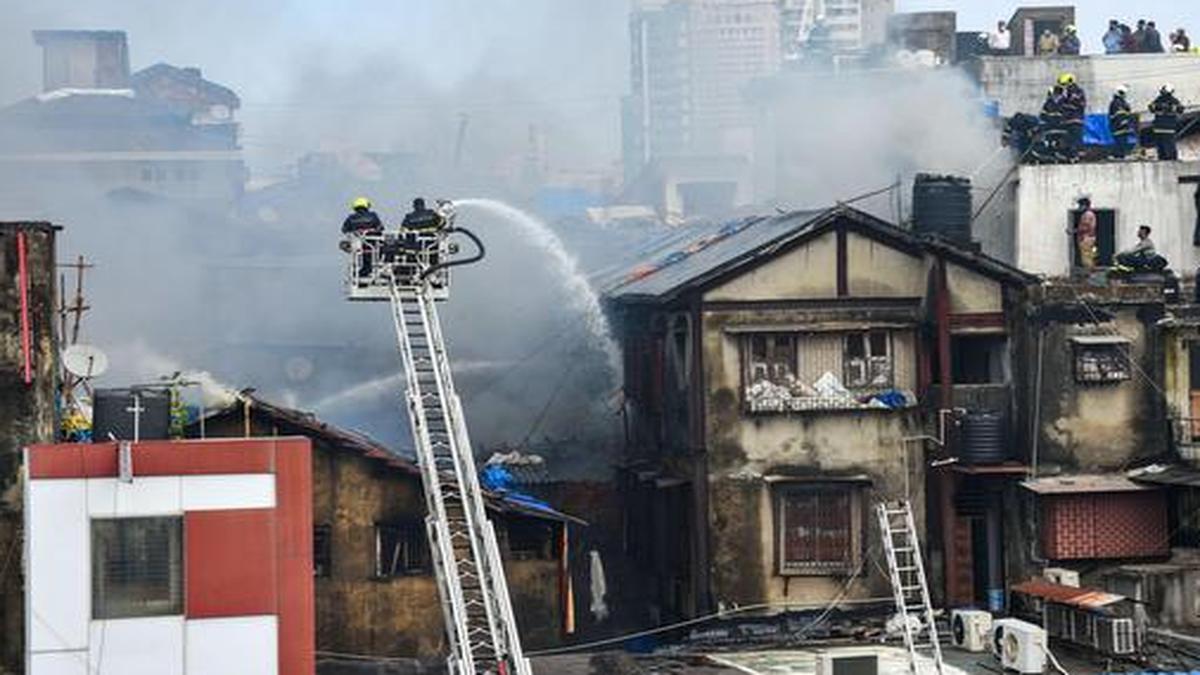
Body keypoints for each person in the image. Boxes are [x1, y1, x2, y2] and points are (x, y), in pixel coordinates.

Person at [341, 196, 384, 277]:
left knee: (359, 260)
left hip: (358, 245)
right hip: (373, 244)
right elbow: (381, 228)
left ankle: (359, 272)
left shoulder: (351, 218)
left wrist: (356, 231)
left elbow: (344, 229)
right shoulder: (373, 215)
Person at [1149, 83, 1184, 160]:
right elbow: (1181, 109)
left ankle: (1163, 159)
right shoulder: (1173, 100)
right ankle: (1171, 159)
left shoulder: (1158, 99)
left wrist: (1162, 107)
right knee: (1169, 145)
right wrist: (1169, 108)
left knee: (1161, 145)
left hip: (1159, 127)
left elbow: (1151, 108)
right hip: (1169, 128)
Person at [1058, 73, 1087, 161]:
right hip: (1070, 120)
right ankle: (1072, 155)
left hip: (1074, 119)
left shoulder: (1075, 91)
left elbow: (1073, 104)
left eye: (1064, 84)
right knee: (1070, 139)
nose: (1063, 87)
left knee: (1074, 138)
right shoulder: (1069, 92)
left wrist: (1064, 106)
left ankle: (1075, 155)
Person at [1108, 85, 1138, 159]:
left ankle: (1120, 155)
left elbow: (1127, 113)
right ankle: (1118, 155)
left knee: (1123, 141)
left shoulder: (1121, 102)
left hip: (1121, 126)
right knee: (1120, 141)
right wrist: (1124, 123)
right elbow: (1120, 115)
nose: (1124, 95)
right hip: (1118, 126)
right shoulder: (1117, 103)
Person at [1039, 86, 1066, 161]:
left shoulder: (1064, 103)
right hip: (1050, 128)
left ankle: (1058, 154)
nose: (1056, 95)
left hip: (1060, 128)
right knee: (1050, 143)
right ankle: (1051, 156)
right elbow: (1043, 115)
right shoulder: (1048, 104)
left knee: (1057, 142)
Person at [1074, 197, 1098, 272]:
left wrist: (1074, 231)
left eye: (1080, 205)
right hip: (1088, 238)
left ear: (1085, 205)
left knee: (1086, 259)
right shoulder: (1089, 214)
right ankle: (1090, 274)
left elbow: (1086, 227)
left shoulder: (1087, 215)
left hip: (1086, 238)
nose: (1079, 207)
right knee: (1089, 257)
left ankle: (1090, 276)